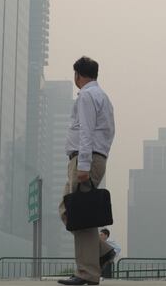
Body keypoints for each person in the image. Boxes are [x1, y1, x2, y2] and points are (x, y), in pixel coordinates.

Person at [58, 57, 116, 286]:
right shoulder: (103, 97)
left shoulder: (86, 96)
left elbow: (86, 131)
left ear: (78, 75)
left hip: (85, 160)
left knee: (80, 216)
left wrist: (83, 165)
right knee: (69, 210)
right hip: (94, 158)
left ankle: (86, 273)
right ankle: (102, 251)